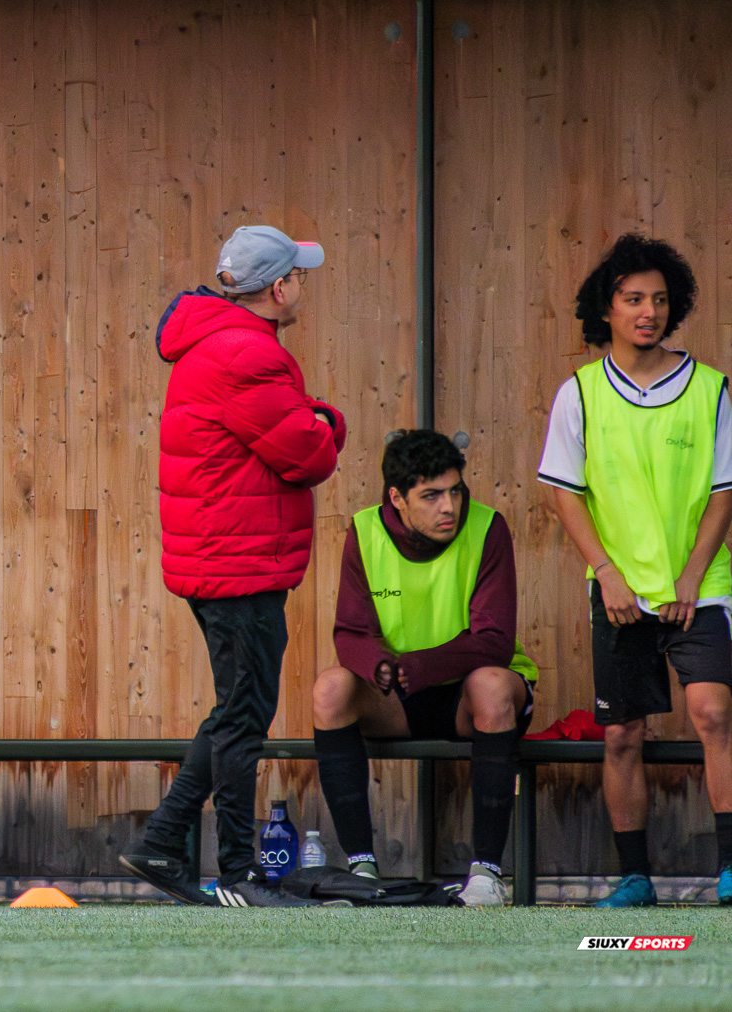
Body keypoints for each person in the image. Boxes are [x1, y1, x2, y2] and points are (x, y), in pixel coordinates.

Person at [119, 225, 346, 908]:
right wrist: (329, 418)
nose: (301, 284)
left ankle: (161, 842)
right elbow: (309, 453)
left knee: (234, 709)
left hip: (221, 556)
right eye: (297, 276)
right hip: (239, 562)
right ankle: (240, 876)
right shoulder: (249, 356)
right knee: (244, 719)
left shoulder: (211, 344)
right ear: (277, 288)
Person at [539, 233, 732, 908]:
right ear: (608, 308)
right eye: (632, 299)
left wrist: (691, 577)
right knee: (621, 732)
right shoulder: (581, 394)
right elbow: (565, 494)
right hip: (620, 593)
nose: (647, 310)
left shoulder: (710, 388)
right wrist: (607, 572)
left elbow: (722, 494)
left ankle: (729, 870)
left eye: (659, 299)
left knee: (713, 711)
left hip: (698, 588)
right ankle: (634, 877)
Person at [311, 429, 538, 906]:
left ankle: (487, 876)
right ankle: (361, 869)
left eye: (455, 490)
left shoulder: (488, 527)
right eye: (431, 496)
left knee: (493, 685)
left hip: (471, 698)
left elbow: (494, 642)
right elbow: (350, 633)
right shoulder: (365, 531)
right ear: (397, 498)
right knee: (330, 688)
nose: (449, 507)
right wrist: (377, 667)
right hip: (399, 695)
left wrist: (421, 665)